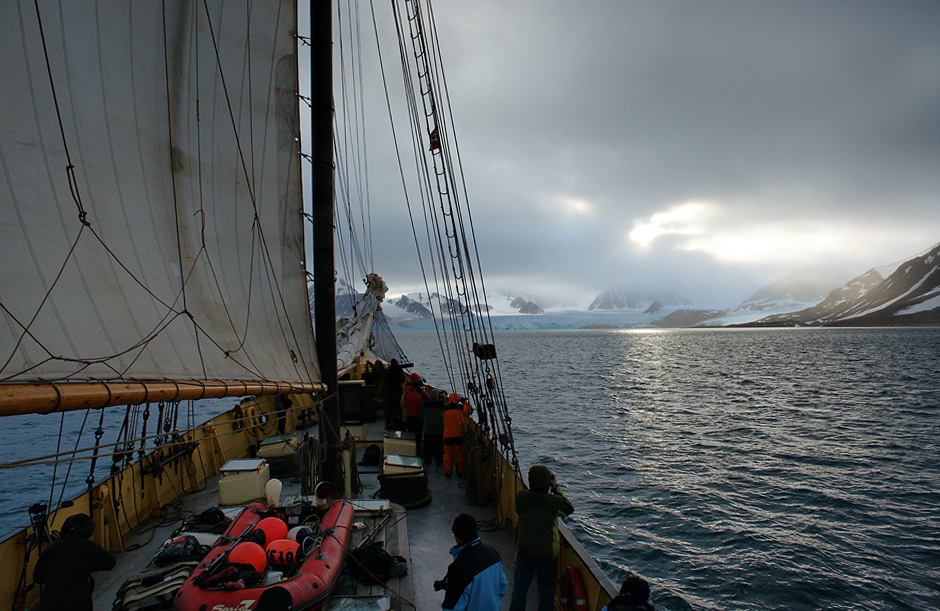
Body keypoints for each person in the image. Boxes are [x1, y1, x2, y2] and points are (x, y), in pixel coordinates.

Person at [508, 465, 574, 611]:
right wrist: (555, 488)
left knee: (520, 589)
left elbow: (522, 507)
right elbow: (568, 509)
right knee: (546, 593)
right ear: (547, 482)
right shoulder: (554, 502)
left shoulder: (521, 498)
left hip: (525, 550)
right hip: (547, 553)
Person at [33, 512, 116, 611]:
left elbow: (37, 577)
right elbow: (110, 562)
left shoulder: (51, 548)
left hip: (48, 604)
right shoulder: (88, 546)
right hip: (77, 603)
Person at [436, 513, 508, 611]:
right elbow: (503, 587)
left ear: (456, 536)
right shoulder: (493, 554)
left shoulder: (459, 567)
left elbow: (451, 607)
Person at [442, 393, 472, 478]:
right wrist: (465, 403)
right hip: (458, 434)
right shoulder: (460, 408)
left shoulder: (444, 409)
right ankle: (460, 471)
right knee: (459, 453)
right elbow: (469, 411)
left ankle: (447, 472)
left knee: (448, 453)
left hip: (448, 434)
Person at [402, 373, 430, 456]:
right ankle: (417, 451)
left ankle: (409, 451)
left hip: (409, 416)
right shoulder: (420, 396)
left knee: (410, 434)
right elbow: (425, 403)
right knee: (418, 435)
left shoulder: (408, 394)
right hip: (417, 417)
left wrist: (404, 420)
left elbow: (405, 406)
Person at [422, 388, 445, 469]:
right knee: (438, 445)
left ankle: (427, 460)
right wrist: (444, 398)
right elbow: (446, 406)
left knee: (427, 444)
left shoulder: (426, 404)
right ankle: (439, 461)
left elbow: (422, 413)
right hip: (438, 429)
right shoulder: (441, 405)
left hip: (428, 428)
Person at [382, 358, 406, 430]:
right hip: (397, 392)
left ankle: (388, 423)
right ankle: (397, 423)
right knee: (397, 407)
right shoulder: (399, 372)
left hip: (389, 392)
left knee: (389, 407)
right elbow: (403, 380)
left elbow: (384, 379)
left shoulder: (388, 372)